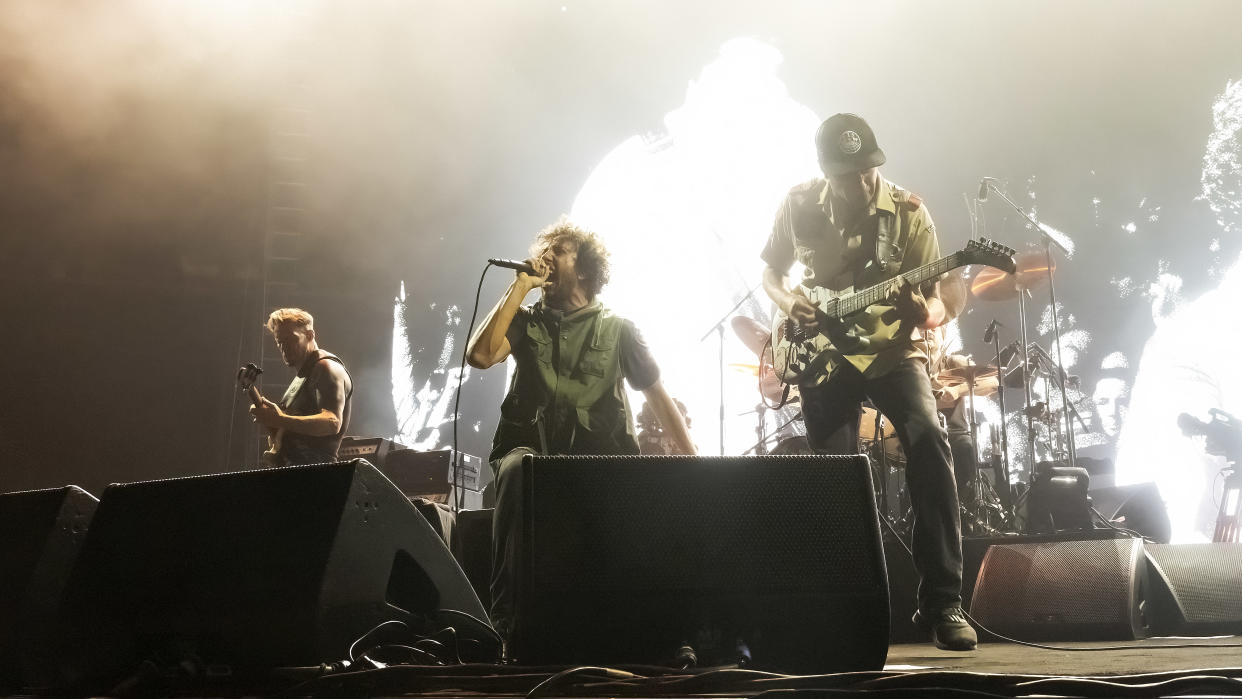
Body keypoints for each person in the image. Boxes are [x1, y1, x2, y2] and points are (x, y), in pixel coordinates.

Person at [760, 114, 975, 650]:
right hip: (823, 356)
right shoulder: (798, 204)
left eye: (866, 170)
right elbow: (772, 273)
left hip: (892, 350)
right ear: (824, 172)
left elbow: (946, 289)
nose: (859, 183)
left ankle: (944, 602)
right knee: (833, 475)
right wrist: (791, 303)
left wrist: (927, 312)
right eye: (845, 174)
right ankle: (839, 605)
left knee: (928, 437)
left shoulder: (908, 212)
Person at [467, 218, 695, 642]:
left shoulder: (618, 328)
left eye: (559, 250)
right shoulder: (526, 320)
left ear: (585, 269)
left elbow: (658, 398)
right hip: (529, 448)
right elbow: (480, 356)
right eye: (545, 249)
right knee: (517, 471)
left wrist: (695, 463)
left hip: (601, 454)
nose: (546, 256)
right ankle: (505, 627)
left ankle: (640, 631)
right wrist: (519, 287)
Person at [250, 308, 353, 466]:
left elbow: (332, 422)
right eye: (280, 342)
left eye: (291, 340)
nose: (285, 347)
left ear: (310, 335)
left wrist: (280, 419)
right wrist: (272, 421)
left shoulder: (325, 367)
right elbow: (293, 432)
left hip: (317, 475)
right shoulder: (304, 376)